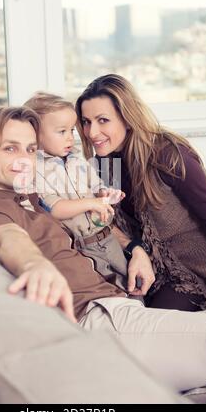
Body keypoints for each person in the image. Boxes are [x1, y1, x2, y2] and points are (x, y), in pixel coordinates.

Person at [0, 104, 206, 393]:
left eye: (30, 150)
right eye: (10, 149)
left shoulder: (26, 194)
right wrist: (33, 264)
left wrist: (136, 249)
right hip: (101, 319)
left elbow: (92, 223)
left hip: (122, 306)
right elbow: (3, 236)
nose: (25, 160)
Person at [75, 73, 206, 312]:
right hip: (146, 269)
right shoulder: (104, 164)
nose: (91, 132)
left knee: (152, 326)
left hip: (193, 273)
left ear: (127, 118)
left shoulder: (168, 154)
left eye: (103, 120)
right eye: (86, 121)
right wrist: (135, 247)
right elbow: (104, 222)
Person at [24, 92, 129, 293]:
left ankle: (142, 315)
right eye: (61, 131)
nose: (70, 138)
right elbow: (55, 208)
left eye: (71, 130)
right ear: (36, 135)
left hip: (108, 238)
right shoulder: (36, 171)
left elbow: (95, 184)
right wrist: (91, 204)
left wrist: (104, 194)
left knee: (132, 284)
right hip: (83, 247)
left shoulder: (77, 160)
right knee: (108, 290)